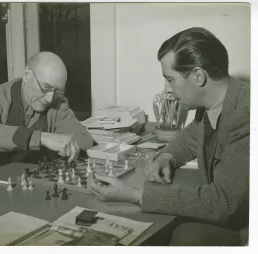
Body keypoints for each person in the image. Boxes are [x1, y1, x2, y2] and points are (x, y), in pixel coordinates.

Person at [88, 27, 249, 246]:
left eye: (170, 80)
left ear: (198, 76)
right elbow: (189, 139)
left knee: (182, 236)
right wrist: (167, 157)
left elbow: (222, 203)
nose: (167, 90)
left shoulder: (247, 114)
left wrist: (135, 195)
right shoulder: (213, 105)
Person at [0, 52, 93, 179]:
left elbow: (85, 141)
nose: (50, 98)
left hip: (21, 183)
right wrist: (42, 138)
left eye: (57, 91)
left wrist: (63, 143)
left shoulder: (58, 104)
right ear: (27, 76)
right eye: (45, 88)